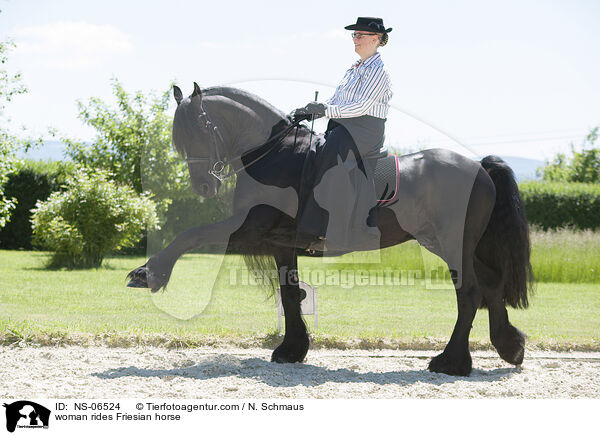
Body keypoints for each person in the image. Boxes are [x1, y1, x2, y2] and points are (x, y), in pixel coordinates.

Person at [293, 17, 393, 251]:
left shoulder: (379, 71)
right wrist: (311, 111)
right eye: (354, 35)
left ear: (376, 39)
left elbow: (361, 107)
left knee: (332, 158)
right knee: (312, 151)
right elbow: (338, 101)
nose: (355, 40)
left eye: (360, 35)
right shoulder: (353, 69)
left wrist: (326, 110)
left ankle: (330, 233)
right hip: (344, 125)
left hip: (365, 128)